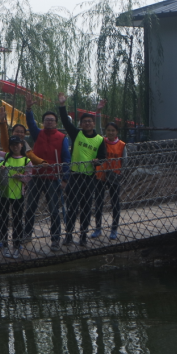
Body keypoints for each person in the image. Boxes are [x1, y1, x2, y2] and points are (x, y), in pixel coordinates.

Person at [23, 93, 71, 251]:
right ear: (43, 122)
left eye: (52, 120)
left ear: (56, 122)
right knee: (30, 207)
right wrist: (28, 109)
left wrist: (65, 178)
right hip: (36, 177)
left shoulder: (62, 138)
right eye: (46, 120)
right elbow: (30, 123)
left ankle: (55, 239)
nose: (49, 122)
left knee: (54, 210)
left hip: (53, 178)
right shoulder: (38, 134)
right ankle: (27, 233)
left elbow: (66, 159)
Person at [57, 93, 106, 246]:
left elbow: (103, 157)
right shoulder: (76, 134)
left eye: (90, 121)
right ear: (81, 123)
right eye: (84, 122)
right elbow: (66, 122)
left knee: (86, 208)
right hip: (75, 176)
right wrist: (62, 105)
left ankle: (83, 236)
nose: (87, 123)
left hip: (89, 178)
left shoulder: (100, 140)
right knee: (72, 208)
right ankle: (69, 235)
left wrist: (98, 161)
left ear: (93, 123)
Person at [0, 136, 33, 258]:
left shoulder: (26, 160)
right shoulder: (5, 156)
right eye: (12, 144)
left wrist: (20, 177)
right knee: (3, 218)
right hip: (4, 193)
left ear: (21, 145)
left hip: (18, 194)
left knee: (17, 220)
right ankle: (3, 243)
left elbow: (29, 176)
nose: (15, 146)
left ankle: (17, 245)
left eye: (17, 144)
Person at [94, 122, 126, 240]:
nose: (111, 132)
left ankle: (114, 229)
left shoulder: (122, 145)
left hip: (114, 176)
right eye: (108, 130)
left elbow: (125, 161)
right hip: (100, 175)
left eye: (113, 130)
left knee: (115, 202)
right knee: (98, 202)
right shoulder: (101, 141)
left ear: (116, 132)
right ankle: (98, 228)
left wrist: (120, 173)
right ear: (105, 131)